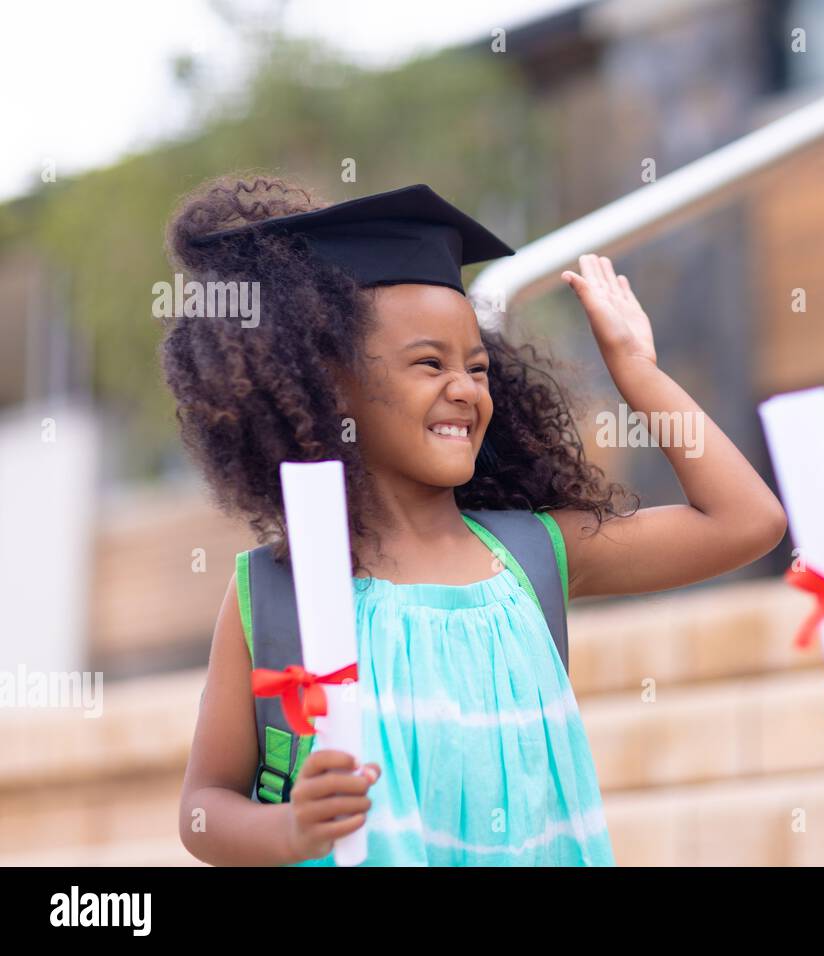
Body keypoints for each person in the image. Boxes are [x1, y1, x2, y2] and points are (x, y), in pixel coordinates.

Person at [167, 178, 787, 865]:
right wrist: (291, 829)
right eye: (429, 363)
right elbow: (202, 810)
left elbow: (746, 522)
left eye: (479, 367)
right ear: (327, 382)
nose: (465, 389)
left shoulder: (532, 553)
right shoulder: (276, 593)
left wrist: (637, 373)